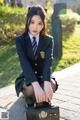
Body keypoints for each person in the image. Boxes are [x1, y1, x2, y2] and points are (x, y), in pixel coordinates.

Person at [15, 5, 58, 106]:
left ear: (43, 25)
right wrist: (35, 85)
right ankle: (33, 98)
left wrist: (46, 82)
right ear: (27, 22)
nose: (35, 27)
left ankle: (40, 98)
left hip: (43, 74)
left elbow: (48, 62)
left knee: (51, 85)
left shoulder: (48, 40)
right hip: (27, 76)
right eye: (32, 22)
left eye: (39, 23)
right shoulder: (20, 40)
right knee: (30, 90)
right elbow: (24, 63)